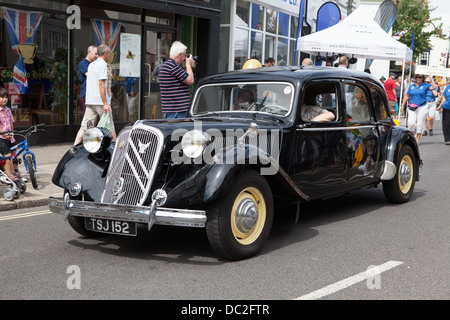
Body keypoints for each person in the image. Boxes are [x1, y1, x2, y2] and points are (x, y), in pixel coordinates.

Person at [73, 44, 117, 145]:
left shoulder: (91, 65)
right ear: (105, 54)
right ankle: (116, 151)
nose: (110, 56)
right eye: (109, 54)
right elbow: (101, 84)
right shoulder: (103, 65)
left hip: (90, 101)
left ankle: (73, 149)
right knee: (110, 128)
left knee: (84, 127)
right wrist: (105, 103)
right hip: (100, 102)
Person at [159, 41, 195, 119]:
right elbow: (190, 80)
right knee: (177, 131)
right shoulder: (173, 66)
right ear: (179, 55)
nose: (185, 59)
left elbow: (183, 78)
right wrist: (188, 65)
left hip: (172, 109)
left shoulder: (167, 65)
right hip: (177, 111)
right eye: (185, 56)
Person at [400, 74, 437, 143]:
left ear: (422, 78)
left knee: (420, 124)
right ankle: (412, 137)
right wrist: (402, 105)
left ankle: (417, 139)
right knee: (411, 123)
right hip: (412, 107)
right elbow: (407, 96)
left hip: (422, 107)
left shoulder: (426, 85)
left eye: (420, 77)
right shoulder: (411, 86)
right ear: (415, 78)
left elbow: (434, 87)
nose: (418, 78)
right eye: (417, 77)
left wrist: (431, 79)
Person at [0, 87, 20, 181]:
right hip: (2, 138)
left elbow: (11, 122)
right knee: (7, 157)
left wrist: (11, 134)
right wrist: (4, 135)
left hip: (10, 137)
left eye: (6, 97)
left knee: (14, 155)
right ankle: (9, 174)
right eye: (2, 97)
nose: (5, 99)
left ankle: (15, 171)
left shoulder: (8, 110)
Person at [78, 45, 98, 115]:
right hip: (86, 94)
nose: (97, 56)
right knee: (87, 118)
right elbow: (91, 76)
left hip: (93, 94)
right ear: (89, 52)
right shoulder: (83, 63)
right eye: (95, 53)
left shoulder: (94, 64)